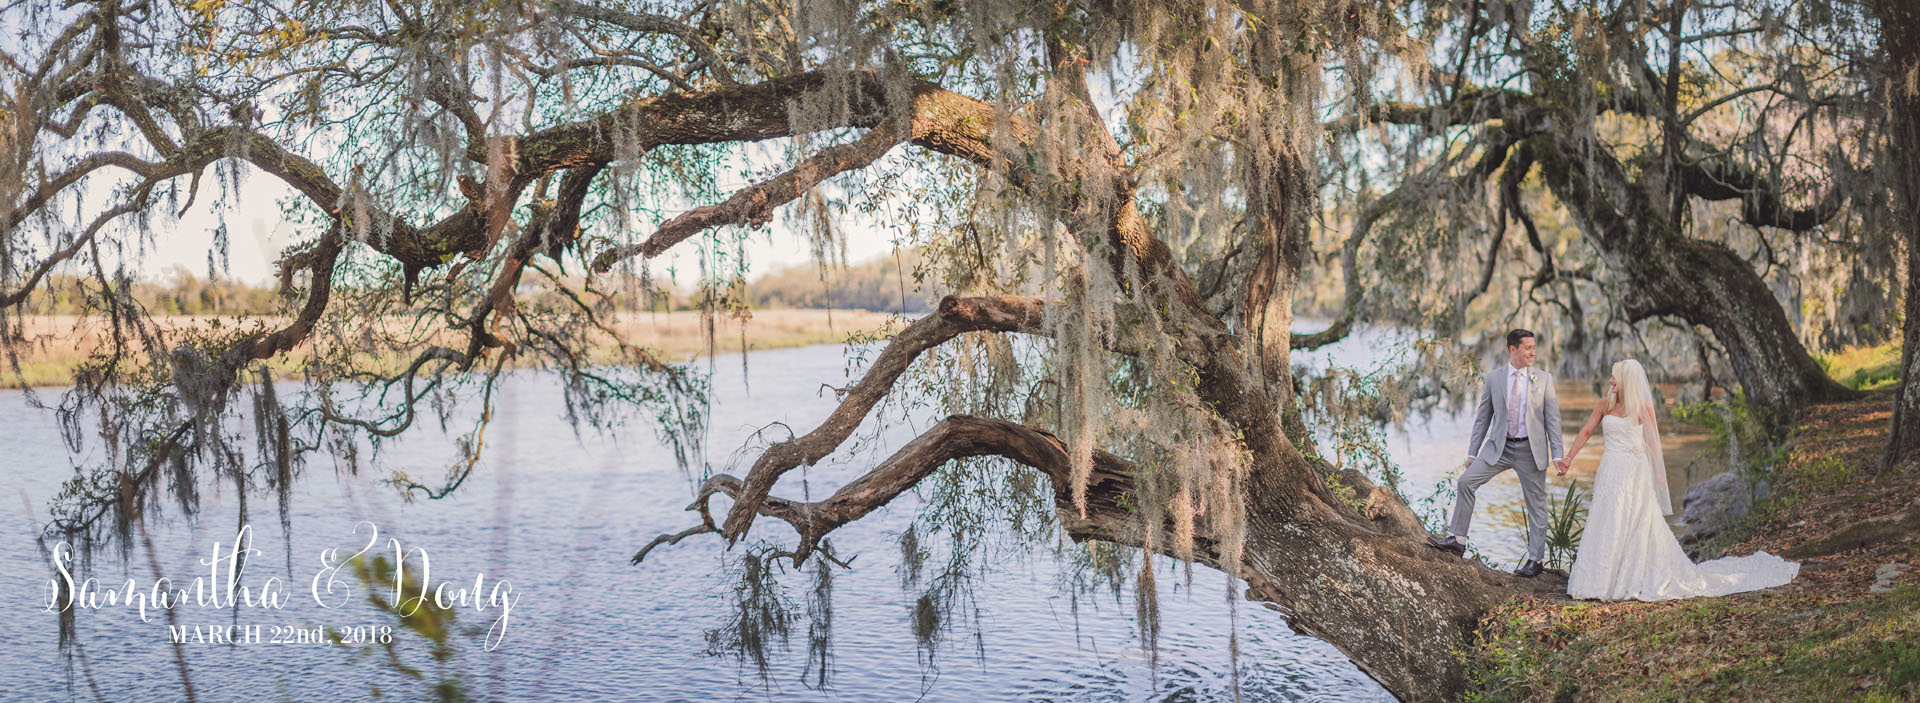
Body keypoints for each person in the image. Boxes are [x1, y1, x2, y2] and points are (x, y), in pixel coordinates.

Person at [1557, 359, 1798, 601]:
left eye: (1615, 377)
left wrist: (1658, 474)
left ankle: (1628, 577)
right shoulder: (1604, 404)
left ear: (1626, 381)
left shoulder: (1643, 407)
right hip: (1610, 469)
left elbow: (1653, 443)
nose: (1610, 380)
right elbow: (1586, 431)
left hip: (1633, 471)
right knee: (1606, 518)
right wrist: (1569, 458)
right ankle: (1599, 579)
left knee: (1633, 520)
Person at [1427, 328, 1564, 578]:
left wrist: (1557, 455)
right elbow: (1482, 419)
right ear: (1513, 349)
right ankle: (1457, 540)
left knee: (1536, 505)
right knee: (1466, 482)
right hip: (1498, 447)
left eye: (1534, 347)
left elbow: (1553, 420)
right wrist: (1472, 453)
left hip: (1530, 450)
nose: (1533, 352)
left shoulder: (1543, 379)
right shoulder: (1494, 378)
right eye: (1528, 348)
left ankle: (1535, 560)